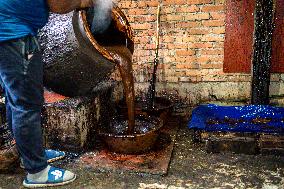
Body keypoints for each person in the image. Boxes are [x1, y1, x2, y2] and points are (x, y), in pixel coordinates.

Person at [0, 0, 94, 188]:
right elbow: (58, 4)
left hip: (8, 31)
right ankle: (37, 172)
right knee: (27, 104)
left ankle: (28, 155)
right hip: (14, 33)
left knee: (15, 98)